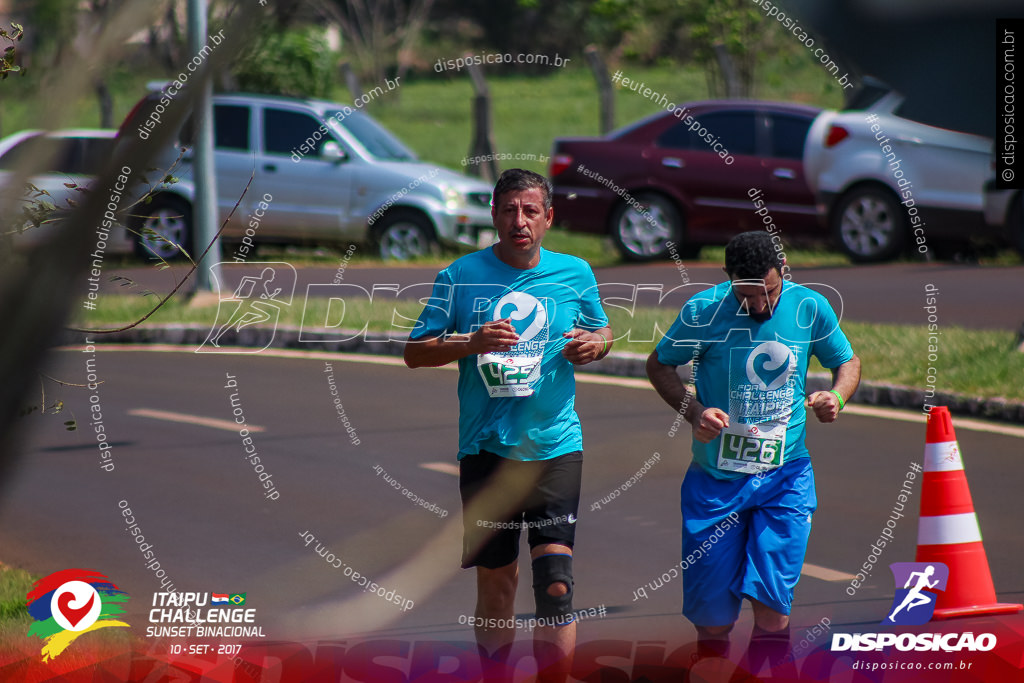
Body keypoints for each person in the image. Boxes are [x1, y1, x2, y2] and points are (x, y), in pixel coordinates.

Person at [404, 168, 612, 682]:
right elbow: (415, 352)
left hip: (555, 445)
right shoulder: (459, 276)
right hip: (487, 450)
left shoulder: (575, 272)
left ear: (548, 218)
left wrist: (597, 344)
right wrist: (471, 342)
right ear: (494, 216)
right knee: (498, 584)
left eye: (530, 211)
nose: (520, 221)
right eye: (509, 211)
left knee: (556, 582)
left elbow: (601, 328)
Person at [645, 230, 861, 676]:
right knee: (714, 620)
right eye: (747, 297)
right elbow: (660, 364)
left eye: (769, 293)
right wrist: (695, 411)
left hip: (786, 476)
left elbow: (847, 361)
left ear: (783, 273)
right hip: (716, 480)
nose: (760, 306)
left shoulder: (808, 306)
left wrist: (836, 398)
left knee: (771, 602)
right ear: (728, 280)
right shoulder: (704, 311)